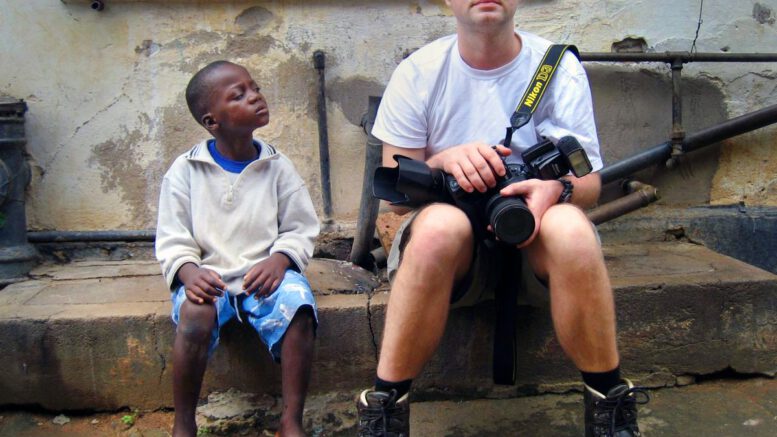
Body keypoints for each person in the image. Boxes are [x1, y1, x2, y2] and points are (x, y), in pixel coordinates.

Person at [356, 1, 648, 436]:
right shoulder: (418, 72)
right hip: (449, 252)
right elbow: (397, 198)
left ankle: (610, 409)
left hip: (534, 241)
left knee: (571, 228)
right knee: (438, 227)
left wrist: (556, 188)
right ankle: (385, 409)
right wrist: (444, 163)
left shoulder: (556, 66)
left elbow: (590, 184)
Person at [155, 60, 320, 437]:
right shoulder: (186, 170)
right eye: (239, 95)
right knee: (195, 317)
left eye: (255, 87)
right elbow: (172, 236)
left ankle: (290, 421)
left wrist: (280, 260)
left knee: (299, 308)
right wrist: (188, 272)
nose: (256, 96)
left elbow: (300, 226)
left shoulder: (277, 166)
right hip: (209, 277)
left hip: (264, 276)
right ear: (212, 121)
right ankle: (184, 424)